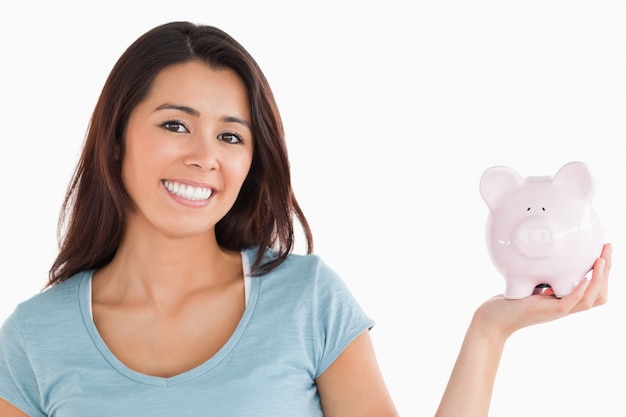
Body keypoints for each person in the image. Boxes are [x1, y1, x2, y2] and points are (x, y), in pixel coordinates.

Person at [0, 21, 612, 417]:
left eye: (232, 136)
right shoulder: (34, 338)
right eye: (175, 124)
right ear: (114, 141)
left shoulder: (307, 300)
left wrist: (489, 331)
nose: (204, 157)